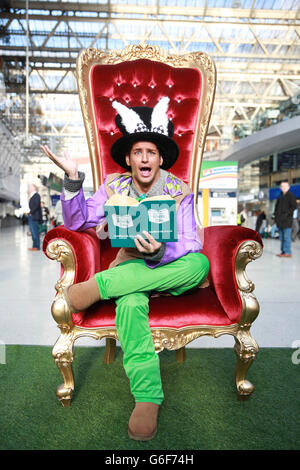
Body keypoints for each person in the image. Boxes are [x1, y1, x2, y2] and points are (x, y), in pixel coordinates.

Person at [40, 96, 209, 441]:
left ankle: (101, 285)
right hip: (130, 270)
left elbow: (192, 241)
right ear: (129, 159)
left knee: (201, 263)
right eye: (137, 152)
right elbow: (78, 220)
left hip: (174, 266)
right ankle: (147, 398)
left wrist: (161, 249)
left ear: (160, 159)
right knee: (130, 303)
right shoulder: (114, 187)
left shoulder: (180, 191)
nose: (144, 158)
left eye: (151, 152)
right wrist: (72, 179)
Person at [274, 180, 297, 257]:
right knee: (282, 237)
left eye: (285, 186)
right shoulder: (280, 196)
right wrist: (275, 217)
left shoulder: (291, 196)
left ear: (288, 187)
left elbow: (294, 206)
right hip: (280, 221)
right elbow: (276, 208)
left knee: (287, 237)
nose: (283, 188)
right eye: (282, 186)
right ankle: (283, 251)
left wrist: (287, 214)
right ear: (280, 187)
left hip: (287, 220)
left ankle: (288, 252)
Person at [28, 183, 42, 251]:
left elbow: (36, 205)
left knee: (35, 231)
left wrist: (31, 212)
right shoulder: (33, 195)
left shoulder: (36, 195)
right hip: (32, 216)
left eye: (30, 187)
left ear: (34, 188)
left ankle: (37, 246)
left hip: (34, 216)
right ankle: (34, 246)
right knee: (33, 232)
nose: (29, 188)